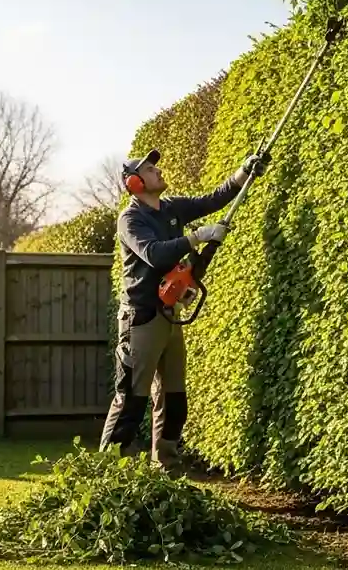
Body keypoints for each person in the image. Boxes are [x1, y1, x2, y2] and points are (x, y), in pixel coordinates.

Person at [99, 148, 268, 474]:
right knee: (131, 399)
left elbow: (214, 199)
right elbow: (155, 255)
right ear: (134, 183)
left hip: (170, 313)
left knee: (174, 399)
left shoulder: (172, 208)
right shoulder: (130, 219)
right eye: (149, 169)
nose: (158, 172)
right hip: (141, 318)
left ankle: (167, 469)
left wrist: (244, 172)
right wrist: (199, 236)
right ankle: (109, 474)